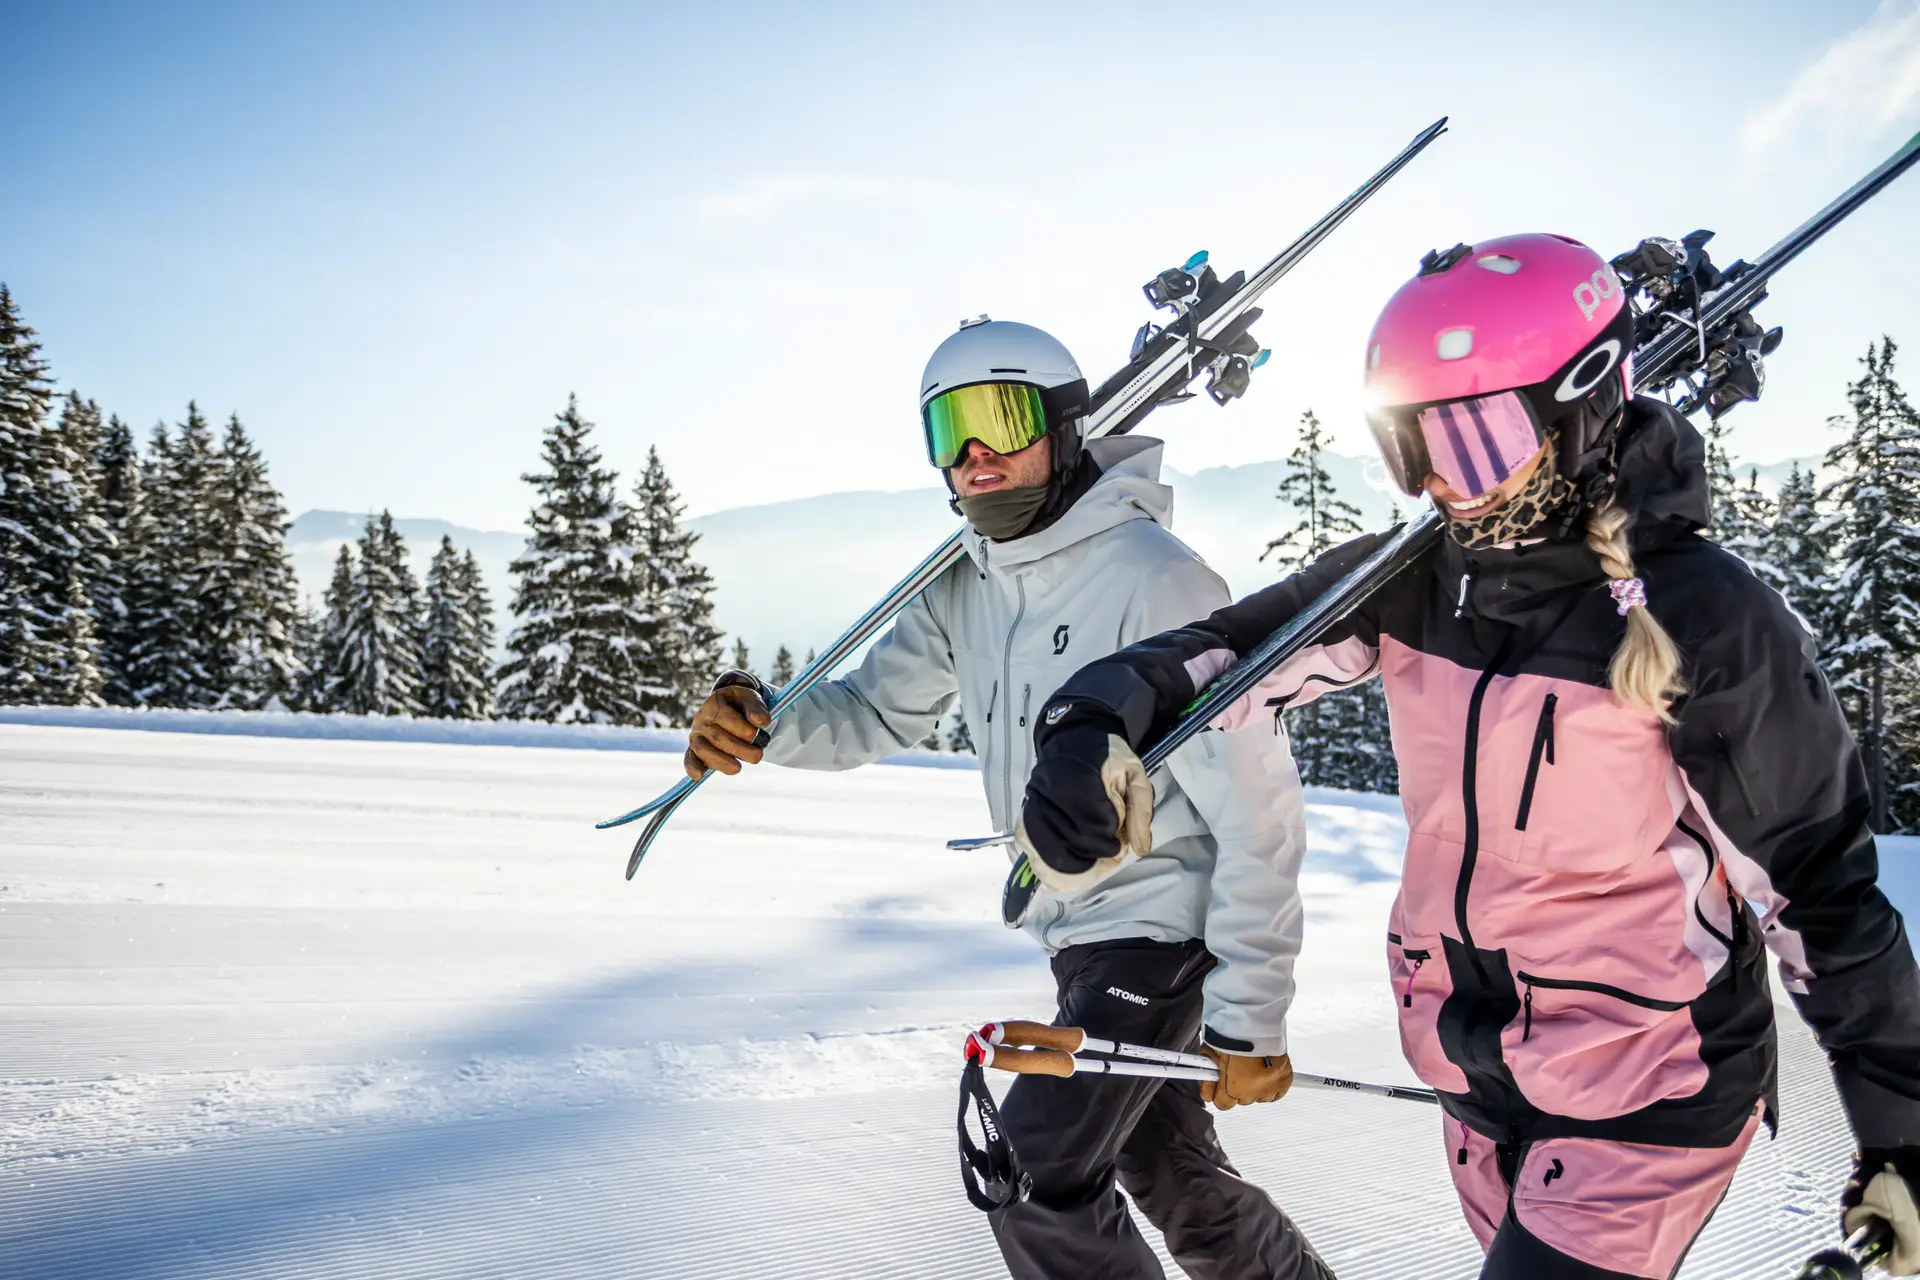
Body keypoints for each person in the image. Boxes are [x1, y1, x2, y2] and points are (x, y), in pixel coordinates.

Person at [1012, 235, 1920, 1279]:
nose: (1448, 487)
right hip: (1479, 1087)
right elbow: (1214, 654)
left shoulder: (1702, 622)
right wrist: (1091, 724)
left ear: (1583, 406)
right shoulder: (1418, 578)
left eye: (1478, 442)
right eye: (1412, 448)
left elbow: (1821, 891)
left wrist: (1901, 1129)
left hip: (1649, 1088)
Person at [681, 317, 1334, 1280]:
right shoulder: (965, 585)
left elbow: (1258, 809)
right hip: (1075, 932)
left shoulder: (1157, 580)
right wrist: (766, 724)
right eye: (950, 433)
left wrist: (1251, 1013)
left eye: (1000, 420)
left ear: (1067, 428)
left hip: (1164, 933)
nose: (976, 457)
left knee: (1029, 1167)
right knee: (1172, 1171)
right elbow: (869, 710)